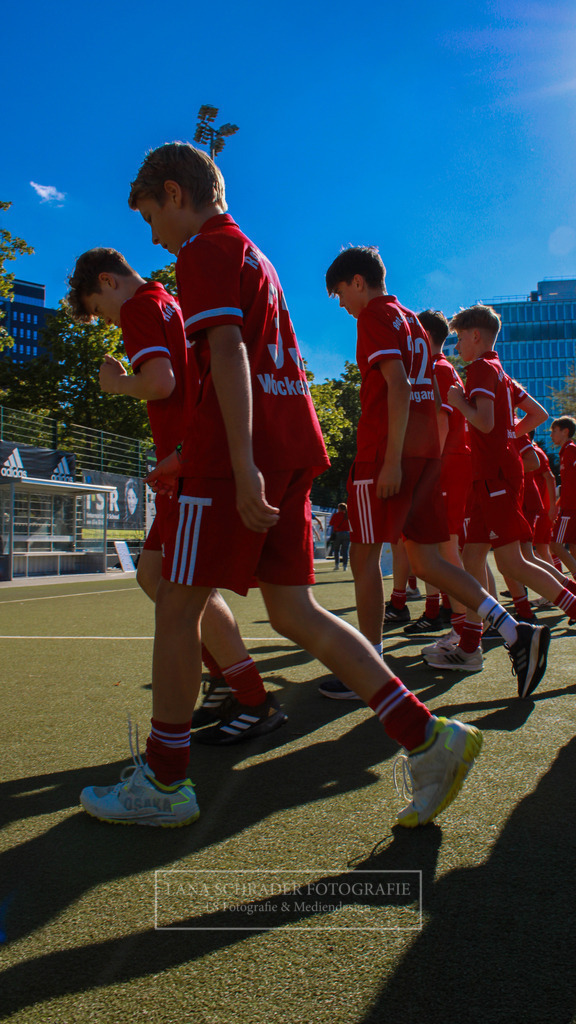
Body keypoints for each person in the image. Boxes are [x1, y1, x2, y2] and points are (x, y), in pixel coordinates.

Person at [80, 143, 482, 829]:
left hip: (248, 457)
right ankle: (428, 737)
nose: (152, 235)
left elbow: (231, 353)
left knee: (176, 604)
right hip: (287, 445)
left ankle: (166, 782)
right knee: (295, 612)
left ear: (175, 193)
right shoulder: (252, 254)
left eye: (151, 215)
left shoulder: (204, 251)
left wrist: (234, 466)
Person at [67, 247, 284, 746]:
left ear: (108, 281)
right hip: (189, 460)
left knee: (184, 591)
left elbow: (159, 382)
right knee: (155, 574)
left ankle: (250, 696)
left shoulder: (141, 307)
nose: (107, 318)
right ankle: (228, 682)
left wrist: (116, 382)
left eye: (100, 308)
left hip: (188, 466)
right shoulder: (169, 303)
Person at [324, 246, 549, 696]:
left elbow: (400, 387)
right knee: (430, 560)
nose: (342, 303)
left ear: (358, 282)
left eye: (339, 293)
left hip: (386, 455)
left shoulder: (375, 317)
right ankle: (513, 631)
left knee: (364, 559)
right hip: (426, 460)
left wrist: (390, 461)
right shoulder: (412, 321)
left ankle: (368, 666)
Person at [427, 305, 576, 673]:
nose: (457, 347)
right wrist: (508, 436)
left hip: (494, 476)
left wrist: (458, 400)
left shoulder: (478, 369)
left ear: (476, 336)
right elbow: (538, 415)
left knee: (512, 562)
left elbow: (484, 419)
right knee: (473, 559)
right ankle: (470, 646)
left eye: (459, 339)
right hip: (490, 475)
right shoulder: (502, 373)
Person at [550, 417, 576, 578]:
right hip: (568, 506)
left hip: (571, 508)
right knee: (573, 547)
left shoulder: (571, 450)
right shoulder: (565, 451)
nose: (551, 434)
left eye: (554, 430)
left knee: (555, 544)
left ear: (565, 432)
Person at [328, 502, 350, 570]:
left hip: (338, 533)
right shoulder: (347, 515)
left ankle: (337, 565)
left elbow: (331, 523)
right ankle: (345, 565)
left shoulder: (335, 515)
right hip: (347, 533)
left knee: (336, 550)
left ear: (339, 508)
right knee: (345, 550)